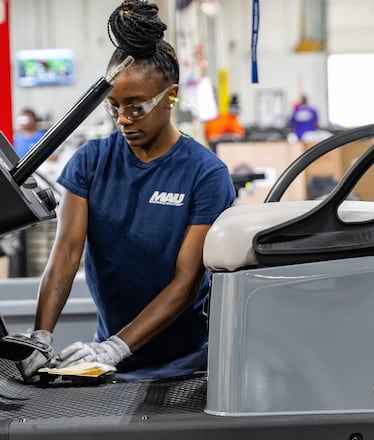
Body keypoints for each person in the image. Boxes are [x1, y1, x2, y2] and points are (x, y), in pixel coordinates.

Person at [16, 0, 236, 383]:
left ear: (171, 96)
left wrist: (117, 346)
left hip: (185, 365)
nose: (122, 120)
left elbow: (185, 283)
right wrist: (42, 335)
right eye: (113, 106)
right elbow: (66, 254)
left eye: (136, 107)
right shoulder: (90, 161)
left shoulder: (205, 173)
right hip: (109, 364)